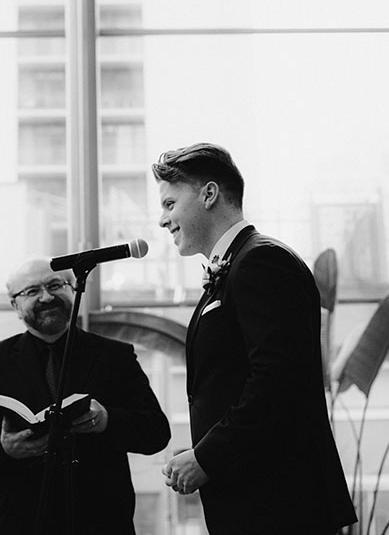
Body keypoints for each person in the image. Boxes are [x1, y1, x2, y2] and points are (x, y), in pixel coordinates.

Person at [153, 144, 357, 535]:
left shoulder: (262, 262)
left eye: (169, 203)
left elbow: (276, 381)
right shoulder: (238, 266)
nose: (162, 220)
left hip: (280, 503)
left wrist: (207, 457)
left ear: (209, 194)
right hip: (253, 497)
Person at [0, 257, 171, 535]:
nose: (46, 296)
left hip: (101, 520)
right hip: (19, 521)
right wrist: (3, 448)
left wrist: (107, 421)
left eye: (55, 285)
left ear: (72, 290)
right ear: (15, 306)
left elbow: (156, 431)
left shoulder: (115, 356)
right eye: (31, 291)